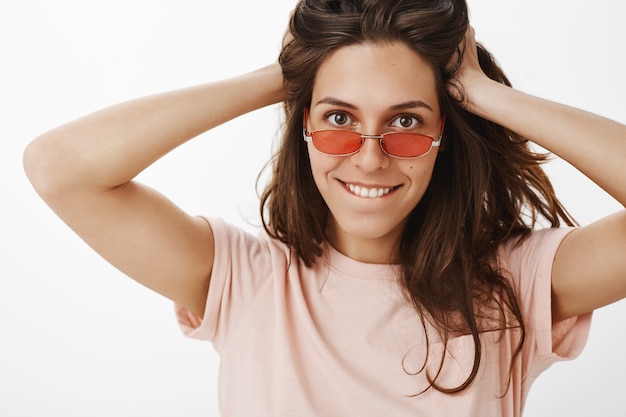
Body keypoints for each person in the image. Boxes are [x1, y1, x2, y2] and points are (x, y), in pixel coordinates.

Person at [22, 0, 626, 416]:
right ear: (303, 126)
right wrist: (282, 76)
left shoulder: (512, 284)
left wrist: (482, 92)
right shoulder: (243, 280)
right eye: (339, 118)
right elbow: (58, 168)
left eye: (406, 122)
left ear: (445, 132)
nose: (369, 159)